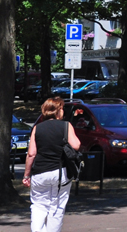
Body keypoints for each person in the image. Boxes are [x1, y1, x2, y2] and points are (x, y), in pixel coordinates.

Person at [23, 96, 80, 232]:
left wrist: (26, 175)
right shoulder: (66, 126)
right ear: (58, 110)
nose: (64, 111)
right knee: (57, 207)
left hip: (39, 173)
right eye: (62, 108)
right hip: (60, 172)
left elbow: (31, 154)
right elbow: (76, 145)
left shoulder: (37, 128)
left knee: (38, 205)